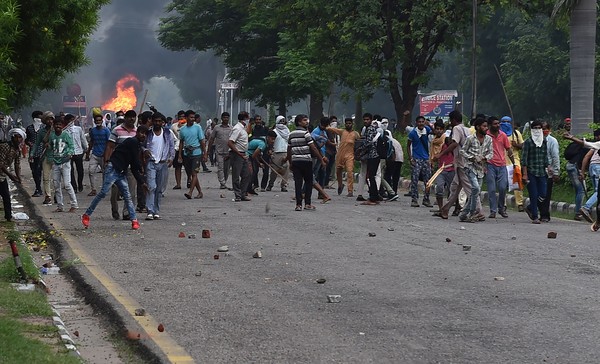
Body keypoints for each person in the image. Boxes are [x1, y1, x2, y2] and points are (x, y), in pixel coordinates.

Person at [82, 125, 149, 230]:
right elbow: (136, 162)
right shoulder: (133, 142)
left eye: (145, 134)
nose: (143, 135)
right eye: (141, 133)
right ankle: (87, 215)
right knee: (103, 193)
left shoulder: (137, 146)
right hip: (113, 169)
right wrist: (141, 167)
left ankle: (134, 220)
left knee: (127, 196)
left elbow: (133, 166)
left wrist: (142, 182)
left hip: (121, 172)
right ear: (137, 133)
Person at [436, 110, 482, 220]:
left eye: (450, 120)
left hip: (463, 164)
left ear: (453, 120)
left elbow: (455, 143)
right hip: (465, 162)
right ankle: (445, 209)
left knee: (469, 188)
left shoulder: (456, 129)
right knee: (455, 187)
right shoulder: (467, 130)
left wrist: (441, 153)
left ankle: (478, 210)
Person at [288, 114, 327, 211]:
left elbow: (289, 149)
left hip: (296, 161)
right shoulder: (306, 134)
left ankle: (298, 205)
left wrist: (290, 162)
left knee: (298, 183)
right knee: (309, 182)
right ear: (299, 122)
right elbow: (313, 147)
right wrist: (321, 159)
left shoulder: (291, 134)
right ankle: (307, 204)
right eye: (304, 120)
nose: (307, 122)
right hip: (306, 160)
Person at [105, 109, 137, 220]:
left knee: (131, 190)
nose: (132, 119)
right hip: (116, 165)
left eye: (134, 117)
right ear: (126, 118)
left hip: (130, 166)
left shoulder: (136, 132)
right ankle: (114, 209)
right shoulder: (116, 130)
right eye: (130, 117)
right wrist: (107, 161)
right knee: (114, 191)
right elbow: (110, 146)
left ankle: (127, 212)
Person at [459, 117, 492, 223]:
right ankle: (472, 213)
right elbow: (462, 151)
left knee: (475, 192)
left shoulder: (488, 139)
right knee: (476, 188)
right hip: (470, 167)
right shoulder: (470, 138)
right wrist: (471, 157)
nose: (486, 128)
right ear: (478, 127)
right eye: (484, 126)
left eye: (487, 126)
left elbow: (491, 153)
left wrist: (484, 158)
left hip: (481, 169)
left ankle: (464, 214)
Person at [143, 112, 175, 220]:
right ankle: (150, 211)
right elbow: (142, 146)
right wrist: (145, 151)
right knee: (151, 187)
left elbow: (171, 146)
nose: (157, 123)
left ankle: (156, 210)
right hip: (151, 163)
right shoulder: (148, 133)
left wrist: (171, 158)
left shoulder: (167, 133)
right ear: (152, 121)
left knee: (160, 188)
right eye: (155, 121)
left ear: (162, 122)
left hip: (163, 163)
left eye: (159, 121)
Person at [486, 116, 515, 218]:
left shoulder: (503, 135)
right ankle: (493, 210)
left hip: (502, 165)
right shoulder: (486, 135)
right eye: (495, 124)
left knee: (503, 188)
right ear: (490, 125)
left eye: (498, 123)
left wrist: (514, 163)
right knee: (492, 189)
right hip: (490, 165)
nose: (497, 125)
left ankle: (501, 208)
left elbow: (509, 149)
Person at [521, 120, 550, 224]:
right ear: (532, 130)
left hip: (541, 171)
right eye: (535, 128)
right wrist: (524, 174)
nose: (537, 130)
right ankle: (535, 216)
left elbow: (545, 157)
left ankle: (530, 207)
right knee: (533, 194)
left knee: (543, 194)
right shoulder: (528, 142)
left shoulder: (544, 141)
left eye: (539, 128)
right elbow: (524, 159)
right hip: (530, 171)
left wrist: (548, 167)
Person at [48, 118, 78, 213]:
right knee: (56, 185)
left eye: (60, 125)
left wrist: (69, 153)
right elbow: (50, 147)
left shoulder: (66, 135)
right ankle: (60, 206)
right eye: (56, 124)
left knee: (67, 184)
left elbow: (71, 146)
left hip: (65, 162)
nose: (58, 126)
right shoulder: (52, 136)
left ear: (62, 125)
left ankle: (74, 204)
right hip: (56, 163)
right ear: (54, 125)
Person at [327, 117, 360, 197]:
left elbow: (359, 144)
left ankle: (350, 190)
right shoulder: (342, 131)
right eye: (347, 123)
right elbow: (331, 129)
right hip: (340, 155)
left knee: (349, 172)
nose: (348, 125)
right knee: (338, 171)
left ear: (352, 124)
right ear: (345, 124)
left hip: (350, 155)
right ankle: (340, 185)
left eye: (350, 123)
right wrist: (326, 126)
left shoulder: (355, 134)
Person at [178, 110, 207, 199]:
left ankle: (190, 192)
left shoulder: (198, 127)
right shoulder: (182, 130)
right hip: (187, 153)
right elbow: (181, 142)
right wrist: (180, 155)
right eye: (190, 117)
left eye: (193, 117)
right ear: (186, 118)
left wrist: (204, 153)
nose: (192, 119)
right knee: (191, 174)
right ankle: (200, 192)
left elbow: (202, 141)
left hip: (196, 153)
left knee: (194, 173)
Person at [500, 116, 525, 211]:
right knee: (503, 183)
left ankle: (520, 203)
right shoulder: (499, 134)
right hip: (502, 160)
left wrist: (516, 145)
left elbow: (522, 145)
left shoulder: (516, 133)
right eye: (504, 122)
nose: (506, 123)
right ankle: (504, 203)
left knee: (517, 180)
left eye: (508, 122)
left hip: (514, 160)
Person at [407, 115, 433, 207]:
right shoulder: (413, 133)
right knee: (414, 179)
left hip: (426, 158)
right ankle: (414, 199)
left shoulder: (427, 130)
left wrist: (429, 125)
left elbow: (434, 132)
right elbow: (408, 146)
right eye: (419, 122)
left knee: (428, 180)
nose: (421, 124)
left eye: (422, 122)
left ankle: (426, 198)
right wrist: (410, 158)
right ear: (416, 123)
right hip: (416, 158)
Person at [430, 121, 454, 214]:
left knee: (452, 191)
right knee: (439, 188)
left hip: (451, 168)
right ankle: (441, 209)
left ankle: (456, 208)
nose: (439, 131)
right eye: (437, 129)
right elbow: (433, 155)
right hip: (440, 168)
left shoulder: (447, 140)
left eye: (440, 129)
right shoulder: (434, 141)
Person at [538, 122, 560, 222]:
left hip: (548, 171)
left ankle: (545, 214)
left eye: (545, 128)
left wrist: (556, 172)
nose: (543, 130)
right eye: (541, 129)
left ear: (549, 129)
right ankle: (539, 212)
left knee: (546, 193)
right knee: (539, 192)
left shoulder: (552, 141)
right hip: (537, 170)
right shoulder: (536, 140)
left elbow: (555, 156)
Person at [32, 112, 56, 205]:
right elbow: (37, 143)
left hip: (57, 156)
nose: (50, 121)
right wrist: (32, 153)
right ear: (44, 121)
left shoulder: (57, 130)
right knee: (46, 177)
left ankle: (57, 195)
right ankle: (48, 196)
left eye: (51, 119)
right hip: (46, 156)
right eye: (48, 119)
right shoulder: (41, 131)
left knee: (56, 178)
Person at [0, 129, 24, 221]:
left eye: (21, 138)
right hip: (2, 172)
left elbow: (17, 164)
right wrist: (10, 175)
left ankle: (8, 217)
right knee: (5, 195)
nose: (19, 139)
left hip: (2, 174)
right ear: (13, 137)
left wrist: (18, 177)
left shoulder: (18, 150)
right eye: (18, 137)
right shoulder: (4, 146)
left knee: (6, 196)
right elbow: (1, 163)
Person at [228, 111, 252, 202]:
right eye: (248, 118)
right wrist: (238, 153)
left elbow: (249, 133)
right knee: (236, 175)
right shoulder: (237, 129)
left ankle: (243, 193)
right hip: (237, 154)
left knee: (247, 174)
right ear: (244, 119)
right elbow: (230, 142)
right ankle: (238, 194)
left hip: (243, 153)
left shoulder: (243, 128)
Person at [87, 112, 111, 196]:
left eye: (99, 120)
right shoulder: (93, 131)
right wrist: (87, 153)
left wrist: (107, 156)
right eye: (96, 121)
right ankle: (93, 189)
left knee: (105, 173)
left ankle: (104, 190)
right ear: (94, 121)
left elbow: (109, 143)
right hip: (95, 154)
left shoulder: (106, 131)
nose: (98, 122)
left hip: (104, 155)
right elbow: (91, 142)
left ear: (102, 121)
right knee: (91, 171)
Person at [207, 112, 232, 189]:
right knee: (220, 168)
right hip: (219, 151)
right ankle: (222, 183)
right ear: (221, 118)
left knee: (226, 169)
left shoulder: (231, 128)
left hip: (228, 152)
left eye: (227, 117)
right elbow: (211, 139)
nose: (225, 119)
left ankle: (224, 180)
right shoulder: (217, 128)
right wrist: (208, 150)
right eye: (224, 117)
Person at [266, 115, 290, 192]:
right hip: (276, 152)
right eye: (280, 121)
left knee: (286, 169)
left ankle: (284, 185)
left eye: (283, 121)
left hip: (285, 152)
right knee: (274, 170)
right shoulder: (274, 131)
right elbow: (270, 142)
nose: (282, 123)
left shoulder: (287, 131)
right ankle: (270, 184)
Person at [65, 114, 88, 193]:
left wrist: (86, 148)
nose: (70, 121)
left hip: (79, 152)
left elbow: (83, 139)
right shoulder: (65, 131)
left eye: (71, 119)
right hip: (69, 153)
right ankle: (74, 187)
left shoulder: (78, 129)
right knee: (70, 170)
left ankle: (80, 183)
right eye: (68, 120)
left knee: (80, 170)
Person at [361, 113, 380, 205]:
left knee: (370, 177)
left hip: (373, 155)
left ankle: (373, 197)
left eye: (367, 119)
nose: (365, 121)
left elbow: (368, 143)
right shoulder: (371, 129)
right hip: (374, 156)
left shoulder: (370, 129)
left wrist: (360, 151)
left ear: (371, 120)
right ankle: (375, 196)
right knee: (371, 176)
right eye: (364, 119)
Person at [25, 111, 44, 197]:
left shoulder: (44, 128)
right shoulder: (29, 128)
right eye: (38, 117)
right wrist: (29, 143)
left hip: (42, 153)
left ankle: (38, 188)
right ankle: (38, 187)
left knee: (39, 171)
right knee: (34, 171)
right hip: (32, 153)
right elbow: (26, 139)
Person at [171, 110, 186, 189]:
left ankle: (189, 181)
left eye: (183, 117)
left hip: (186, 148)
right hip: (177, 148)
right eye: (180, 117)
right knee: (177, 167)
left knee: (188, 167)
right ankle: (178, 183)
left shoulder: (188, 126)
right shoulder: (174, 126)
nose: (182, 118)